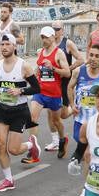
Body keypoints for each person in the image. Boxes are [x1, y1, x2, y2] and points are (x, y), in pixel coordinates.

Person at [0, 32, 41, 193]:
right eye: (2, 45)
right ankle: (8, 179)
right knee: (1, 145)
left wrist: (21, 91)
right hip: (2, 109)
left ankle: (31, 144)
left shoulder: (24, 66)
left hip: (19, 111)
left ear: (15, 46)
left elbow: (37, 88)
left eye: (7, 44)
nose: (4, 47)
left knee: (14, 150)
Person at [67, 43, 99, 196]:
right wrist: (72, 105)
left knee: (88, 154)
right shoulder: (79, 72)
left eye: (97, 56)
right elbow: (70, 87)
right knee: (86, 151)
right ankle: (94, 179)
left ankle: (87, 189)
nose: (93, 59)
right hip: (81, 121)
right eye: (91, 55)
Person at [31, 26, 71, 159]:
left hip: (54, 93)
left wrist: (53, 68)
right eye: (42, 37)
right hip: (40, 91)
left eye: (46, 37)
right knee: (33, 118)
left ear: (53, 37)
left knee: (56, 121)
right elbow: (38, 68)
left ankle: (62, 139)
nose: (44, 40)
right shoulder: (40, 52)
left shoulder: (59, 53)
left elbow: (67, 72)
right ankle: (33, 148)